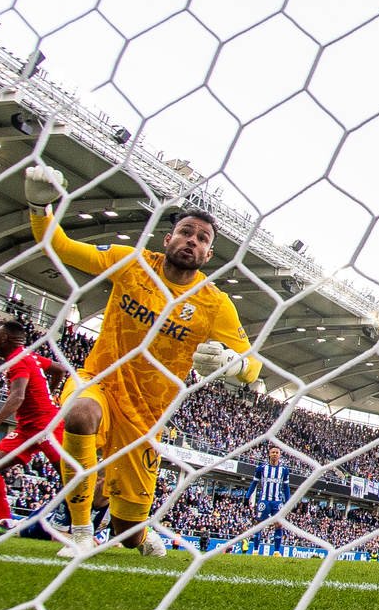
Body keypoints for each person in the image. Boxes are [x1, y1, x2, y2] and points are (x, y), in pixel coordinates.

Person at [25, 164, 262, 558]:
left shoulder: (214, 304)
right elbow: (61, 247)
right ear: (168, 238)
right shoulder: (132, 264)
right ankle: (80, 532)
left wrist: (233, 365)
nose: (193, 241)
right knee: (80, 412)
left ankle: (137, 533)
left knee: (129, 530)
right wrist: (38, 206)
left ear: (209, 254)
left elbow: (254, 367)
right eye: (186, 232)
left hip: (147, 415)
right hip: (99, 379)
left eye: (202, 238)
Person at [0, 320, 65, 531]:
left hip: (46, 425)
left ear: (4, 339)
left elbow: (17, 396)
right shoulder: (29, 356)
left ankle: (80, 523)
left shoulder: (18, 360)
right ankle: (5, 521)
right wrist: (51, 393)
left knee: (69, 475)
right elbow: (59, 369)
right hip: (26, 428)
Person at [245, 444, 291, 555]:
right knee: (258, 524)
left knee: (279, 524)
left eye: (277, 452)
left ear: (280, 455)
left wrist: (288, 501)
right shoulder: (261, 468)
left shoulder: (284, 470)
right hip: (264, 501)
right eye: (273, 452)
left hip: (277, 501)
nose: (275, 454)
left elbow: (286, 487)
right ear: (269, 454)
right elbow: (254, 483)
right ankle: (255, 550)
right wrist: (247, 496)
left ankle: (276, 552)